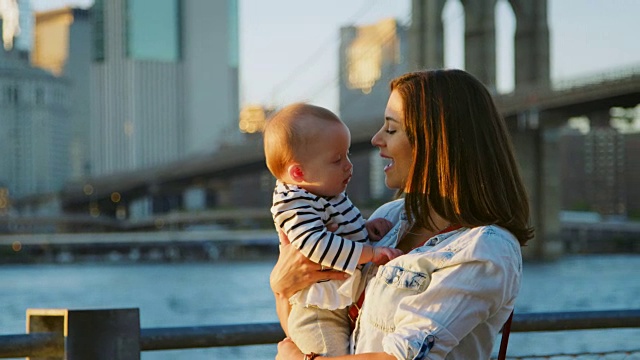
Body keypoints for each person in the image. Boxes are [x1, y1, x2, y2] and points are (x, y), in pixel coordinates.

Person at [272, 69, 534, 360]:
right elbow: (317, 326)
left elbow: (403, 357)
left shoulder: (484, 248)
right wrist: (282, 289)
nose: (375, 139)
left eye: (391, 129)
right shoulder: (391, 217)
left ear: (435, 142)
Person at [263, 103, 404, 356]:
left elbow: (339, 231)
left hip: (336, 303)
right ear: (298, 172)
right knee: (330, 355)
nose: (349, 165)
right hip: (318, 312)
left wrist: (365, 228)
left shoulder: (322, 191)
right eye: (337, 160)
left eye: (347, 155)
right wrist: (370, 253)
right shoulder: (294, 201)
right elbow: (316, 244)